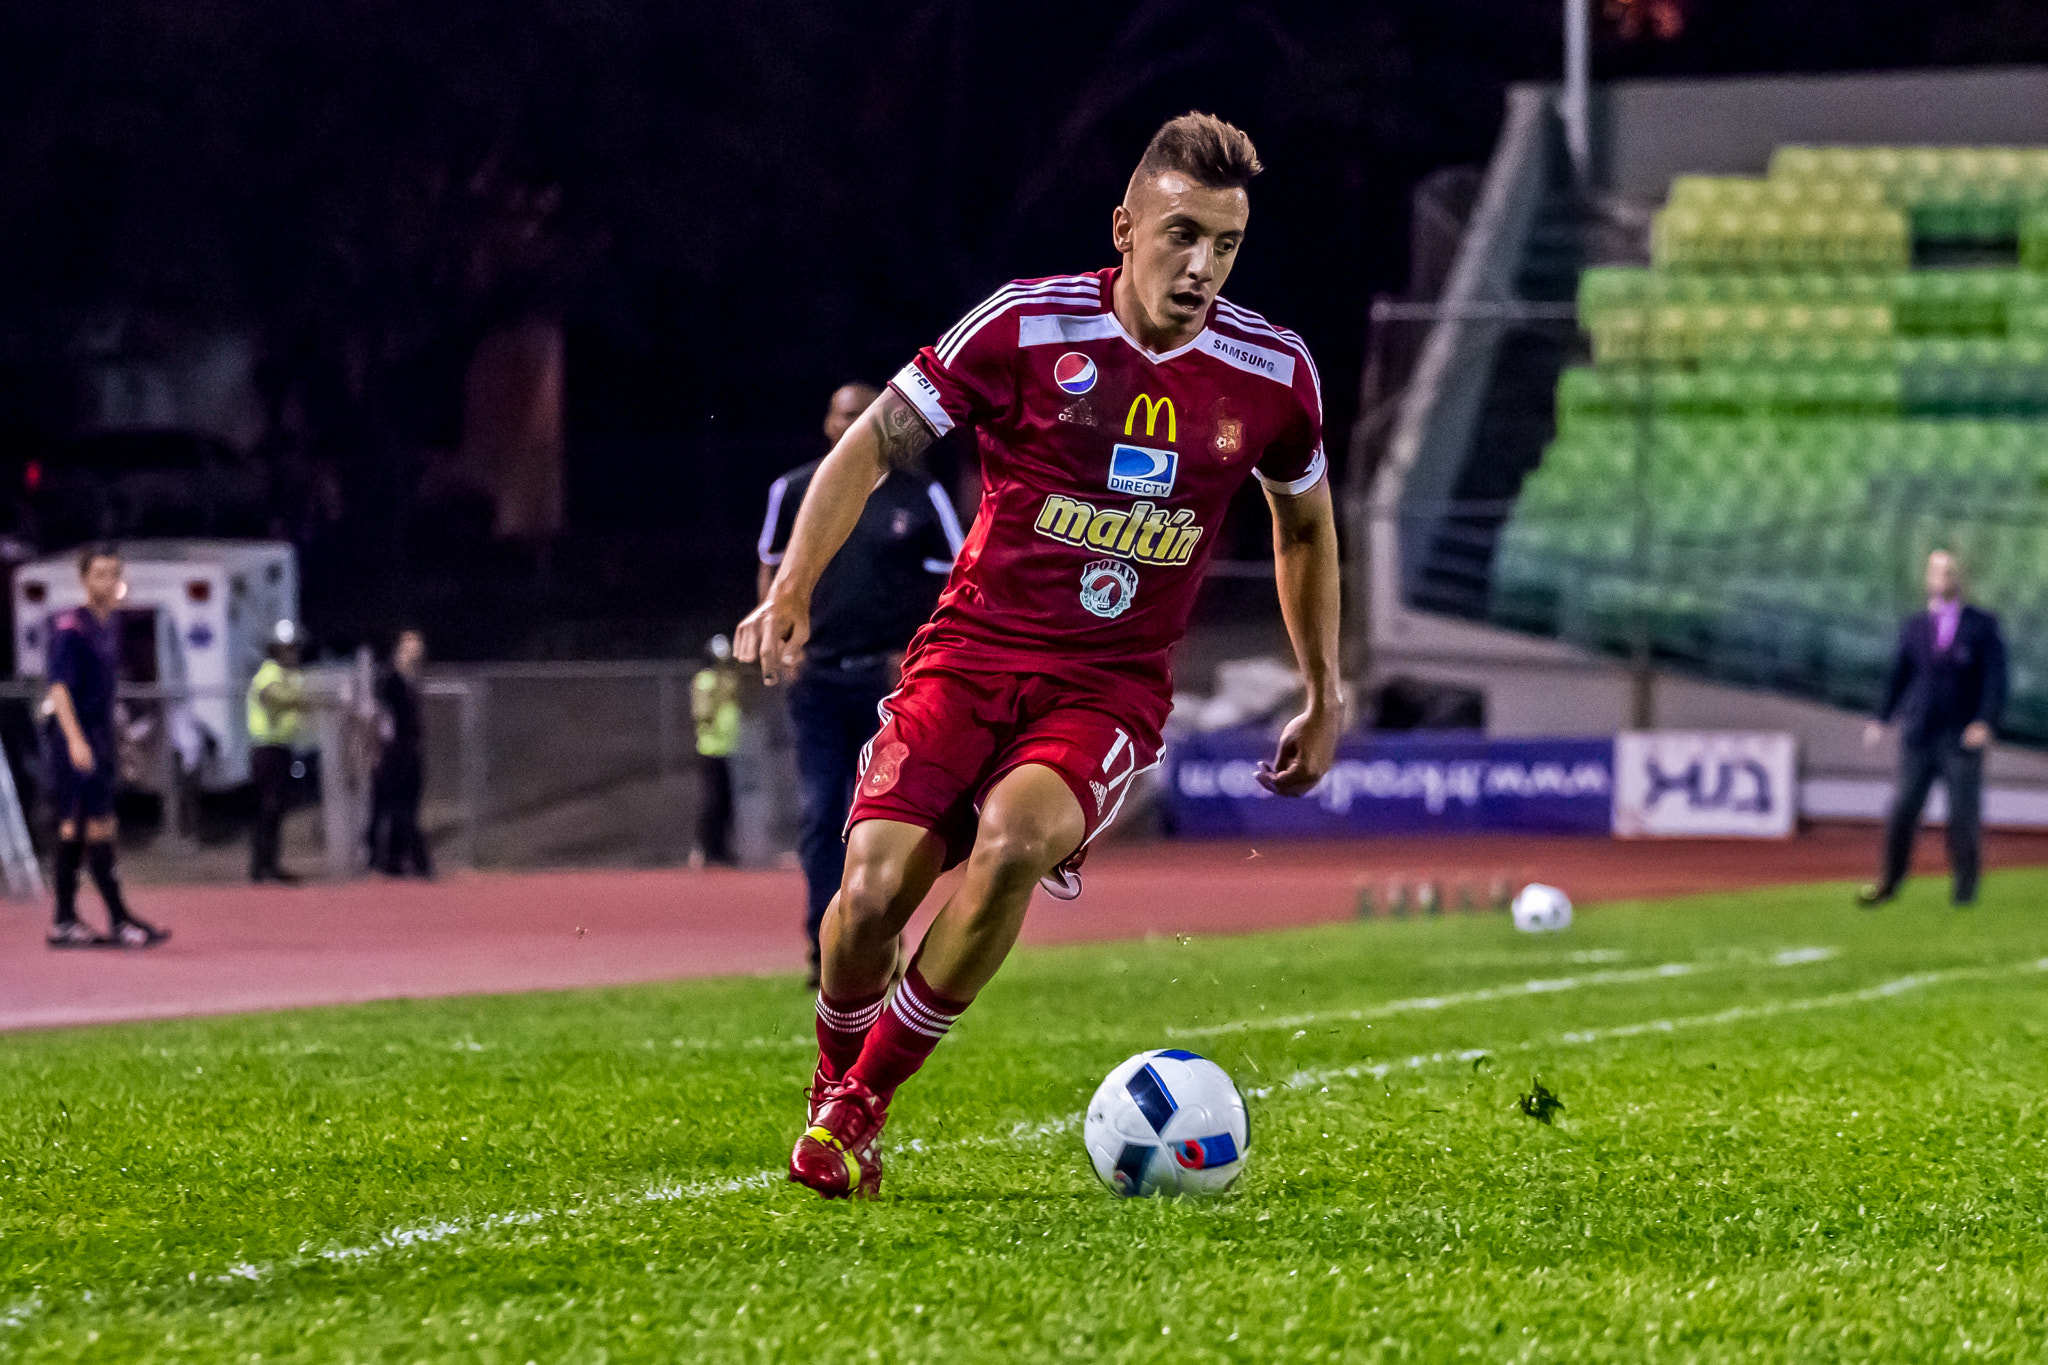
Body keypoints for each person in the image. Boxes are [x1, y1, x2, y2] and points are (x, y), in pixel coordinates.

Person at [736, 112, 1341, 1199]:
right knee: (868, 894)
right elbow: (871, 442)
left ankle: (863, 1103)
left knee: (1013, 840)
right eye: (1180, 234)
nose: (1201, 265)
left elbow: (1302, 526)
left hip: (1104, 690)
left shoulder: (1270, 373)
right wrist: (791, 589)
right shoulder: (1021, 327)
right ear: (1124, 227)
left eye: (1226, 245)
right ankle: (835, 1088)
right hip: (965, 659)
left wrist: (1322, 689)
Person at [759, 382, 965, 988]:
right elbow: (772, 567)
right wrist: (780, 634)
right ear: (827, 423)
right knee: (823, 812)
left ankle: (878, 933)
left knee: (888, 816)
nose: (851, 424)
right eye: (842, 415)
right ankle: (826, 947)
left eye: (863, 415)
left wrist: (923, 652)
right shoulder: (794, 490)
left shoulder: (922, 494)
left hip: (892, 683)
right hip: (818, 679)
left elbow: (958, 574)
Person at [1859, 549, 2007, 908]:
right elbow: (1899, 677)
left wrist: (1984, 721)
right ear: (1928, 578)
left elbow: (1995, 679)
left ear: (1960, 579)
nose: (1943, 580)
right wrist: (1882, 719)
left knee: (1962, 816)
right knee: (1903, 808)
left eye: (1950, 573)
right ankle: (1889, 882)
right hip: (1920, 733)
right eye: (1937, 573)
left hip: (1960, 735)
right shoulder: (1913, 627)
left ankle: (1964, 892)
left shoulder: (1982, 626)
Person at [43, 546, 168, 948]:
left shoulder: (108, 625)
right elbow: (59, 689)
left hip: (100, 736)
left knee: (89, 827)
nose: (108, 581)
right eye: (99, 574)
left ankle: (80, 918)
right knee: (85, 825)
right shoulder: (70, 628)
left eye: (113, 573)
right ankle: (104, 919)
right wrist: (76, 740)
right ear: (84, 579)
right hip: (76, 739)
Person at [246, 623, 308, 884]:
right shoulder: (270, 672)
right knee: (267, 809)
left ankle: (269, 864)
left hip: (281, 748)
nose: (293, 652)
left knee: (276, 809)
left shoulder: (287, 674)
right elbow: (271, 697)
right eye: (289, 647)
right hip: (267, 749)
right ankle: (262, 867)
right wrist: (299, 698)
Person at [368, 628, 432, 877]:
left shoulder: (413, 682)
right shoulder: (391, 681)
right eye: (409, 648)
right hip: (393, 753)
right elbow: (381, 714)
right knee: (392, 808)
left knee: (407, 807)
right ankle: (399, 860)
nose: (415, 653)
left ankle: (395, 860)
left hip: (410, 752)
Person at [691, 633, 740, 867]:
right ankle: (705, 849)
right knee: (712, 802)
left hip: (728, 748)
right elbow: (703, 712)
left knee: (727, 803)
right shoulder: (706, 680)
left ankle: (722, 849)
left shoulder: (728, 678)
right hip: (710, 749)